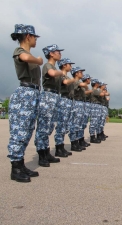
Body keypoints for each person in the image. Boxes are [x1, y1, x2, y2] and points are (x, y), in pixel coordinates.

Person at [8, 24, 42, 182]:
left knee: (27, 130)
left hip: (34, 93)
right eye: (34, 37)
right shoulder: (20, 51)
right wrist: (39, 60)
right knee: (19, 132)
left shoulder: (28, 53)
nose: (36, 40)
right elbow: (25, 58)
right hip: (25, 93)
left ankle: (20, 164)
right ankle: (15, 168)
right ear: (28, 36)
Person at [34, 44, 64, 167]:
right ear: (51, 53)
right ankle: (41, 154)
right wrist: (62, 72)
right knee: (43, 126)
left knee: (49, 126)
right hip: (48, 96)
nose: (59, 53)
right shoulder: (48, 66)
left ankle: (46, 151)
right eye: (57, 51)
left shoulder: (54, 67)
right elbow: (51, 73)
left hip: (55, 97)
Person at [53, 58, 76, 157]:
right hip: (63, 100)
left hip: (69, 100)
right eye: (69, 64)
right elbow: (65, 83)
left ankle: (61, 147)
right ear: (64, 65)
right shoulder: (61, 75)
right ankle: (58, 148)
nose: (71, 66)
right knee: (61, 125)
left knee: (65, 126)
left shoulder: (66, 76)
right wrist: (74, 80)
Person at [68, 67, 89, 151]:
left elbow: (85, 87)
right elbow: (84, 86)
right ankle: (73, 143)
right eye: (81, 72)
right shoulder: (74, 81)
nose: (82, 74)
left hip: (80, 103)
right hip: (76, 102)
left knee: (79, 124)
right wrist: (85, 85)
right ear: (76, 73)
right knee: (75, 124)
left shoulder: (78, 82)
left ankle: (77, 141)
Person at [78, 74, 93, 148]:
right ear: (86, 79)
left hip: (84, 104)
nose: (90, 80)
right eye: (89, 79)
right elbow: (83, 93)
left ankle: (81, 139)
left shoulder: (86, 86)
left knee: (83, 123)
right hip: (82, 103)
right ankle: (78, 141)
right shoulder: (83, 85)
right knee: (79, 123)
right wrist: (90, 91)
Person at [89, 79, 102, 143]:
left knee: (97, 122)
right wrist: (101, 89)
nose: (99, 84)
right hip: (94, 105)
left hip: (97, 105)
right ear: (95, 84)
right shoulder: (94, 90)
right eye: (98, 83)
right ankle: (92, 137)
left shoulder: (96, 90)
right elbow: (102, 94)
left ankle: (95, 136)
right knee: (94, 122)